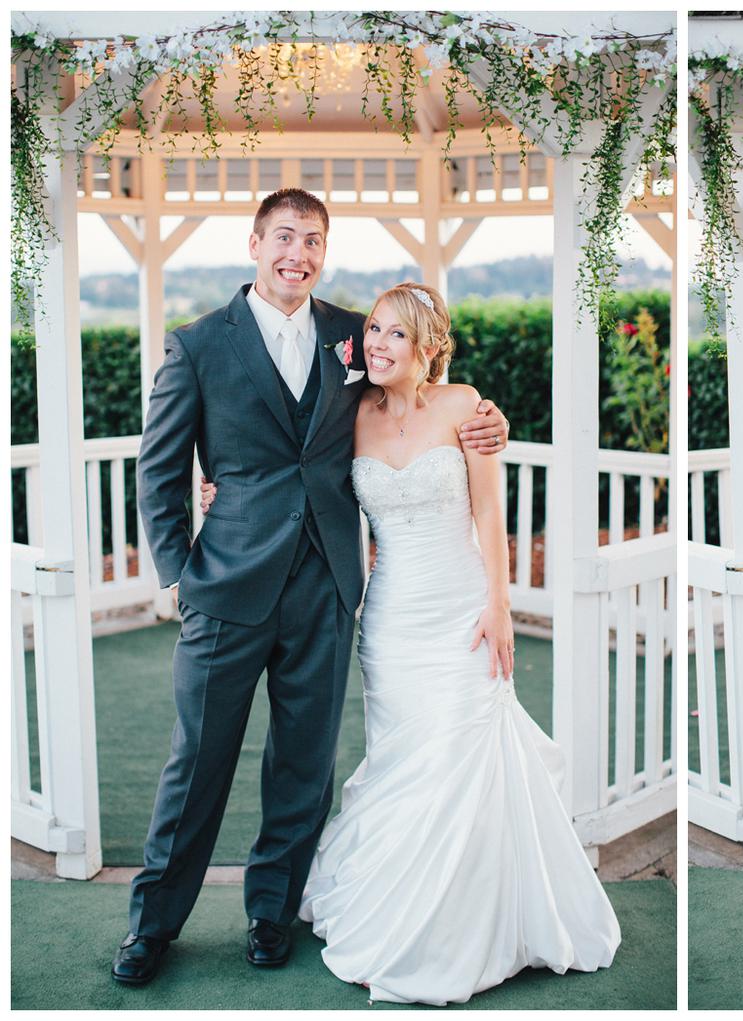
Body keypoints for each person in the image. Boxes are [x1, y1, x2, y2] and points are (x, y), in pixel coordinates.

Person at [115, 190, 510, 986]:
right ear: (256, 244)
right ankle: (151, 925)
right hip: (225, 590)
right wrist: (181, 575)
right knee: (197, 764)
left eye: (313, 241)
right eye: (285, 237)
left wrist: (490, 421)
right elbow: (159, 473)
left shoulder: (354, 335)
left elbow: (414, 391)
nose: (299, 253)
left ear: (325, 252)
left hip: (327, 585)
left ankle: (273, 911)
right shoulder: (198, 345)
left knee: (304, 764)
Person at [200, 283, 620, 1004]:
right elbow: (287, 467)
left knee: (461, 752)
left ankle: (468, 925)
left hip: (461, 608)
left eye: (396, 334)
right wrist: (224, 491)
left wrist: (499, 604)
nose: (378, 344)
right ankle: (393, 914)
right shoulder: (347, 411)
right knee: (403, 763)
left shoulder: (464, 406)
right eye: (373, 330)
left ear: (428, 346)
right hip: (391, 617)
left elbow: (488, 509)